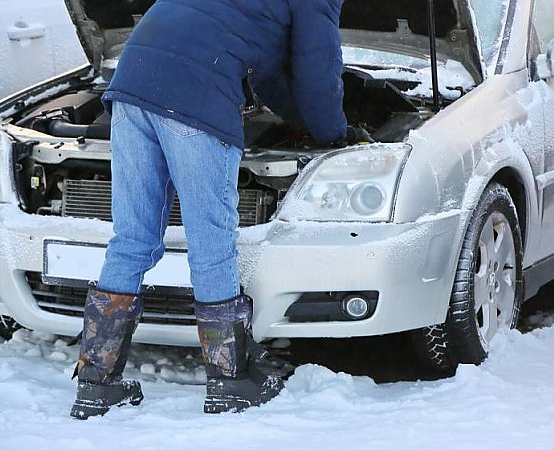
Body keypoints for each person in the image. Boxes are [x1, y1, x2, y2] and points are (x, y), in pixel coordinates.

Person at [69, 0, 366, 419]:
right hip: (195, 94)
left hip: (132, 84)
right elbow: (317, 72)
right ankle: (229, 380)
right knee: (211, 240)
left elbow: (266, 77)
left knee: (133, 237)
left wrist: (302, 121)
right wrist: (334, 133)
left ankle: (95, 383)